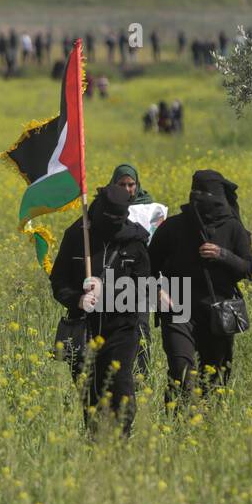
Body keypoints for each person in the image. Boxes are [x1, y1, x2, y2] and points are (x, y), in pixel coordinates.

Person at [149, 170, 252, 411]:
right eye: (195, 192)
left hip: (218, 308)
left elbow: (248, 267)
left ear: (218, 196)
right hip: (178, 305)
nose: (198, 198)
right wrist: (157, 291)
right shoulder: (173, 227)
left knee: (215, 376)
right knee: (181, 368)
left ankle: (208, 422)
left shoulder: (233, 229)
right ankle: (178, 423)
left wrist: (223, 255)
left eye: (205, 193)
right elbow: (147, 266)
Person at [50, 184, 151, 436]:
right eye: (109, 218)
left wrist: (106, 292)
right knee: (91, 398)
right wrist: (77, 299)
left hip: (121, 328)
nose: (114, 224)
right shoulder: (77, 235)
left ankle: (121, 443)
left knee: (121, 392)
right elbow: (58, 281)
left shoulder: (135, 241)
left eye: (120, 218)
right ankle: (95, 446)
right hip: (84, 328)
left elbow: (145, 288)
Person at [108, 164, 168, 377]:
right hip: (112, 280)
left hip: (141, 278)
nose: (127, 189)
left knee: (141, 328)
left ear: (137, 184)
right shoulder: (105, 208)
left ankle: (142, 377)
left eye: (131, 184)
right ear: (114, 184)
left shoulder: (150, 208)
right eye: (121, 184)